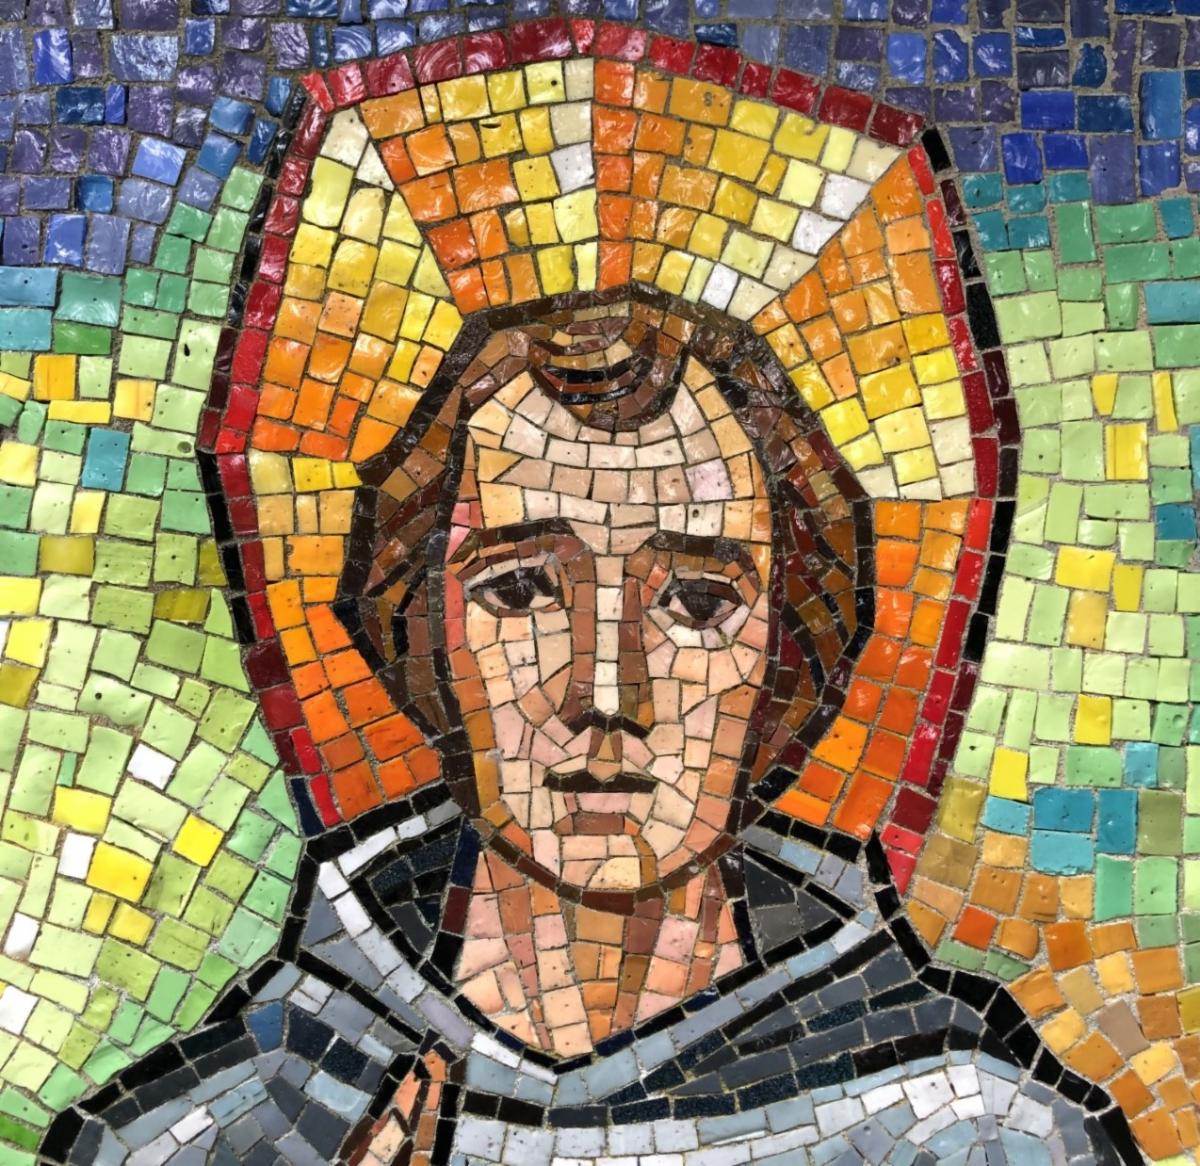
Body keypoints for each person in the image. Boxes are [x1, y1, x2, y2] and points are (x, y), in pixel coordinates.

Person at [41, 38, 1139, 1166]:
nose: (606, 692)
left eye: (697, 601)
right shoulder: (204, 1137)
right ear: (421, 628)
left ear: (789, 645)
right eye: (521, 589)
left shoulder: (977, 1134)